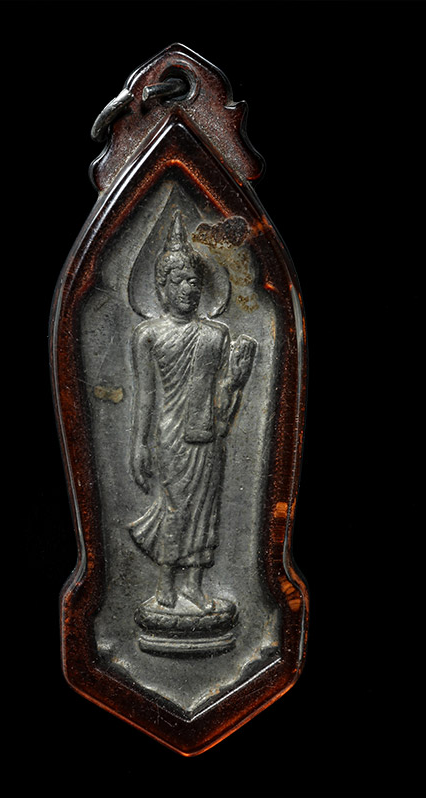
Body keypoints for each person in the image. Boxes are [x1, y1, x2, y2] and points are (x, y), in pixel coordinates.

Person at [129, 211, 256, 611]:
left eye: (195, 282)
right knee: (176, 507)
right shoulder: (148, 335)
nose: (189, 288)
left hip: (208, 433)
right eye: (180, 280)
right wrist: (139, 444)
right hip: (170, 436)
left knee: (205, 509)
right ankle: (166, 582)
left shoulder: (216, 334)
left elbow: (223, 395)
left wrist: (235, 379)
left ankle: (194, 585)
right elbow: (145, 396)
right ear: (161, 287)